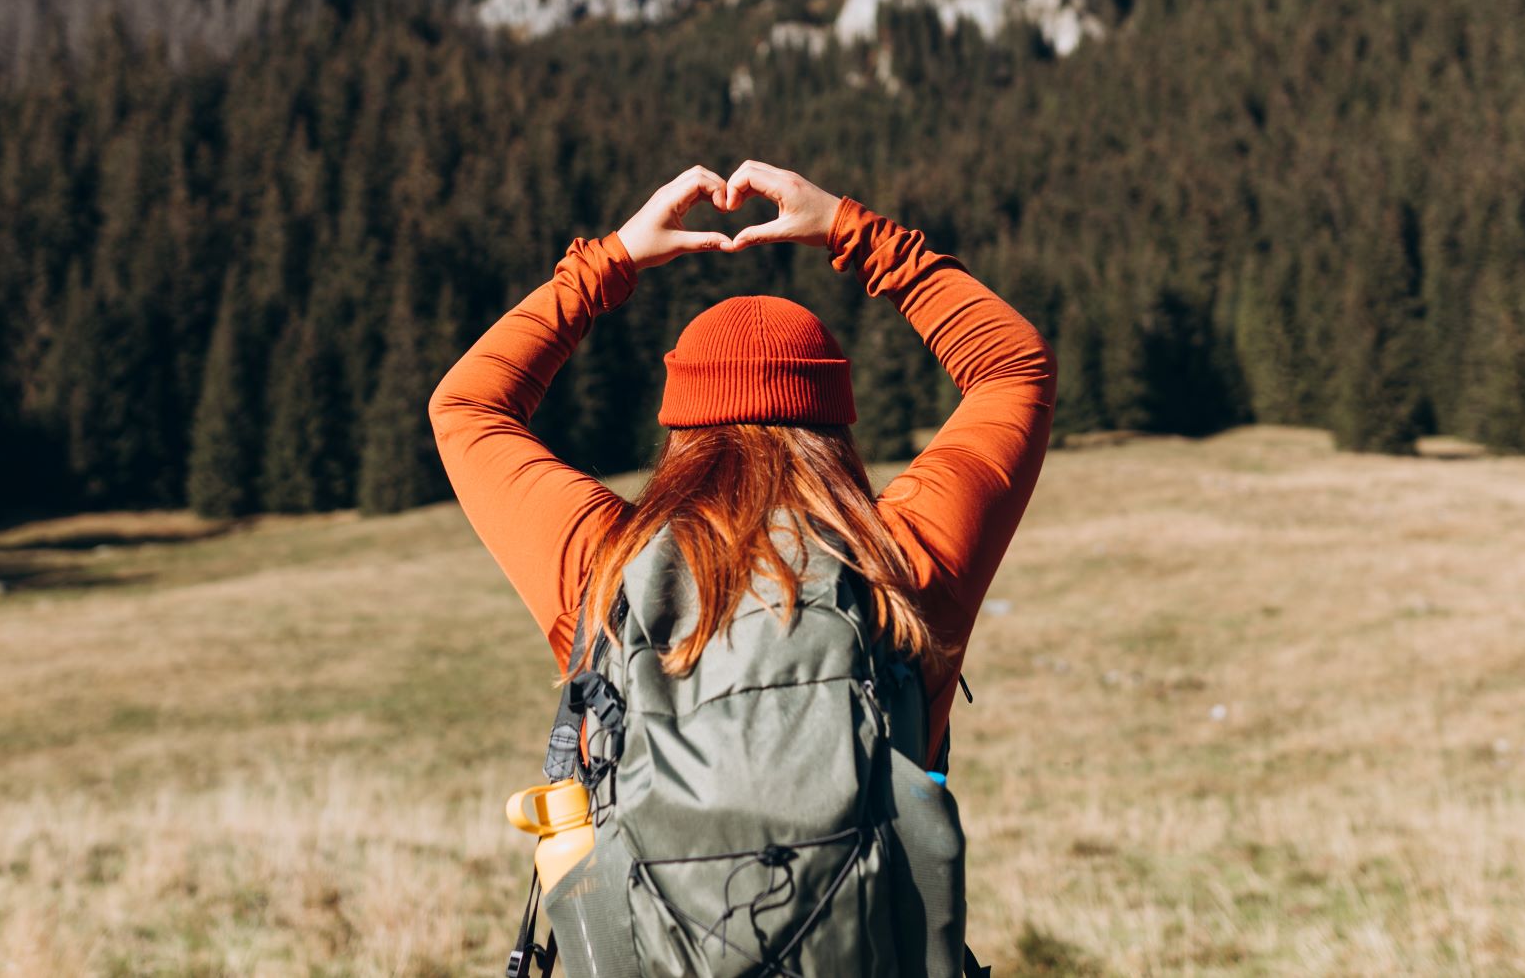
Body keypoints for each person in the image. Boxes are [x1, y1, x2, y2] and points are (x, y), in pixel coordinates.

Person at [428, 158, 1056, 972]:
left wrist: (610, 259)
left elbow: (466, 405)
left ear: (680, 424)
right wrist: (856, 231)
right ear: (836, 423)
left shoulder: (607, 568)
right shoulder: (899, 567)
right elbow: (1014, 367)